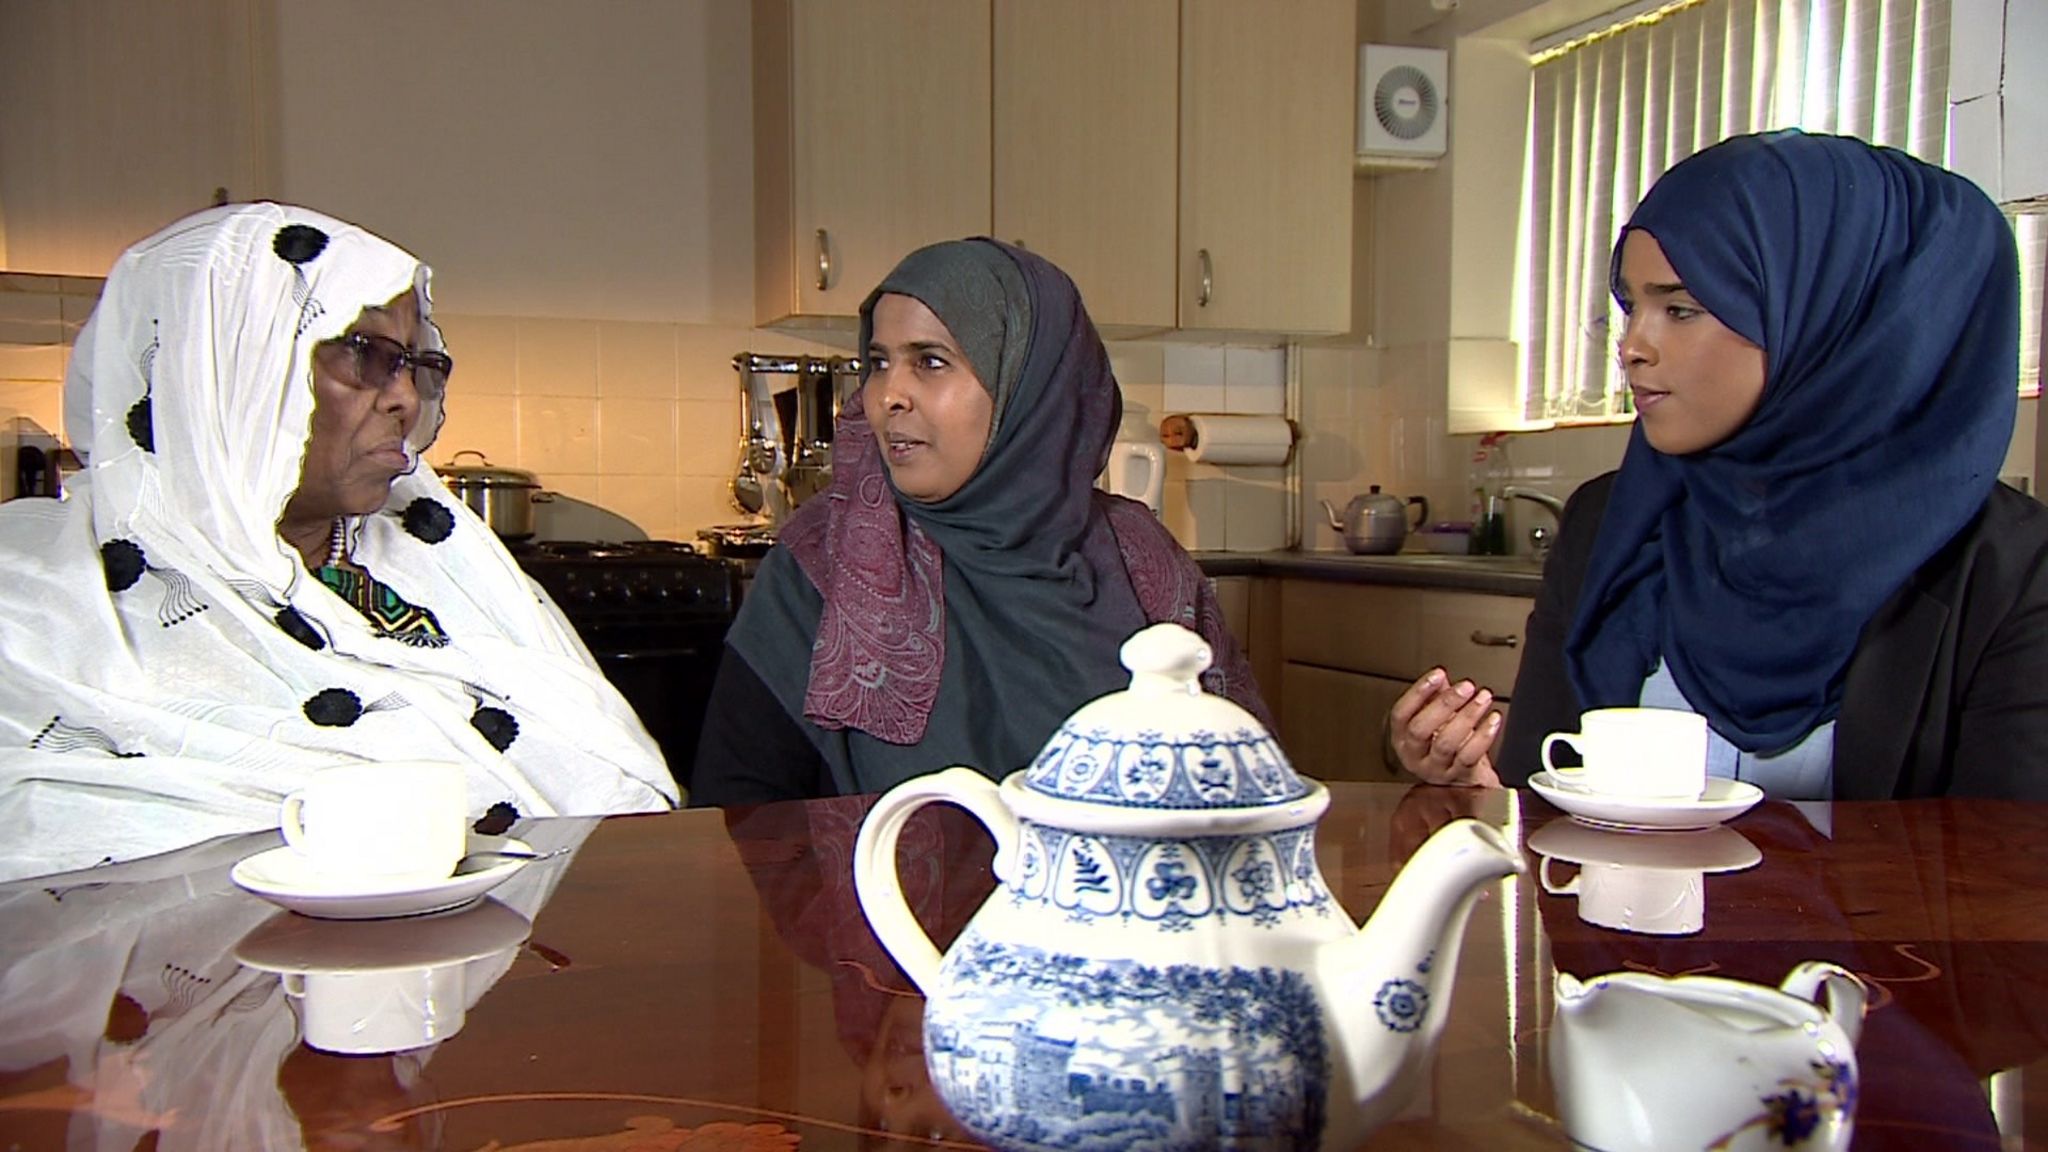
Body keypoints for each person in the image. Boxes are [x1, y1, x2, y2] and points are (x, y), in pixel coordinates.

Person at [0, 203, 676, 882]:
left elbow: (619, 811)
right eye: (366, 354)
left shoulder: (447, 561)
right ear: (217, 370)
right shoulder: (39, 605)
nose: (406, 399)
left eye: (417, 364)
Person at [1388, 130, 2048, 800]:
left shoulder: (2012, 575)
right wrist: (1477, 791)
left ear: (1832, 324)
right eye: (1630, 306)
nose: (1633, 347)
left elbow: (2008, 872)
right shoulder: (1606, 525)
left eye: (1680, 309)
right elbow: (1543, 798)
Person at [690, 238, 1268, 805]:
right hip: (882, 901)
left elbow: (1245, 784)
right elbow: (740, 825)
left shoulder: (1142, 559)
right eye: (878, 363)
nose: (890, 395)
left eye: (931, 362)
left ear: (1029, 386)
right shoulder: (819, 566)